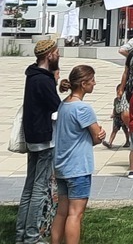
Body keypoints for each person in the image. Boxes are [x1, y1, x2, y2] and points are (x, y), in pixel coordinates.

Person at [51, 65, 105, 244]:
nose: (94, 83)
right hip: (78, 167)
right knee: (75, 214)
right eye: (92, 80)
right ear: (83, 84)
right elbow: (96, 137)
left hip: (61, 166)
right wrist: (100, 135)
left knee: (62, 212)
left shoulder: (64, 104)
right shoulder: (83, 108)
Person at [16, 38, 63, 244]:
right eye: (57, 52)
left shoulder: (33, 74)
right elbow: (57, 106)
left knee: (29, 187)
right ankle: (32, 236)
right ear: (49, 55)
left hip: (33, 135)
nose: (59, 55)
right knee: (39, 188)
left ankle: (22, 234)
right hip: (43, 138)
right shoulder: (43, 80)